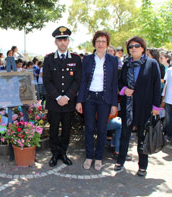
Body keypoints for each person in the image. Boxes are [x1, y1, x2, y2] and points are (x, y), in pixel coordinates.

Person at [114, 36, 161, 177]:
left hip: (145, 106)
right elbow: (120, 82)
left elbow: (157, 87)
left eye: (136, 46)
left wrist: (156, 107)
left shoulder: (152, 64)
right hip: (128, 106)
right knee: (124, 135)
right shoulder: (126, 64)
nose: (133, 48)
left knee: (142, 137)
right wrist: (124, 90)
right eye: (130, 46)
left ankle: (142, 166)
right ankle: (120, 161)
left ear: (143, 48)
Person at [76, 31, 118, 170]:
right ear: (94, 43)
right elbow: (83, 81)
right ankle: (89, 156)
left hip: (104, 99)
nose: (100, 44)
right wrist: (79, 101)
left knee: (102, 129)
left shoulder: (113, 60)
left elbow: (114, 84)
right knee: (89, 128)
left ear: (107, 44)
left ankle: (99, 158)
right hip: (89, 98)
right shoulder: (87, 59)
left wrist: (114, 104)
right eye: (98, 41)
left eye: (103, 41)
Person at [43, 26, 82, 167]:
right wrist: (58, 97)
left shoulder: (76, 59)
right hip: (54, 102)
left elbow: (78, 80)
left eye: (65, 39)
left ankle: (63, 153)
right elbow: (47, 81)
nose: (62, 42)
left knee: (66, 130)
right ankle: (54, 154)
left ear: (68, 41)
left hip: (69, 103)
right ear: (55, 42)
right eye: (60, 40)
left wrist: (67, 97)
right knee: (53, 129)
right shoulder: (48, 59)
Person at [162, 53, 172, 143]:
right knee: (169, 119)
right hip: (169, 99)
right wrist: (163, 98)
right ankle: (169, 136)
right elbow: (166, 85)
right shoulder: (170, 70)